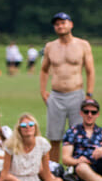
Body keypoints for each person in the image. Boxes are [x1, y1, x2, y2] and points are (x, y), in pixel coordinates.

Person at [40, 12, 95, 162]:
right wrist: (43, 91)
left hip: (76, 94)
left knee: (77, 135)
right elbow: (44, 69)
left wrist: (89, 94)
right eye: (57, 24)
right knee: (54, 137)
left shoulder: (82, 45)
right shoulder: (50, 46)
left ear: (71, 24)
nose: (60, 26)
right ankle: (54, 169)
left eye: (63, 23)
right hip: (56, 96)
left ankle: (75, 170)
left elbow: (90, 70)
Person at [0, 113, 64, 181]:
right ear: (19, 129)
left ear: (35, 128)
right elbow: (4, 172)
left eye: (31, 124)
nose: (28, 127)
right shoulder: (11, 145)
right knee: (9, 178)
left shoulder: (42, 143)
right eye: (24, 125)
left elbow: (47, 173)